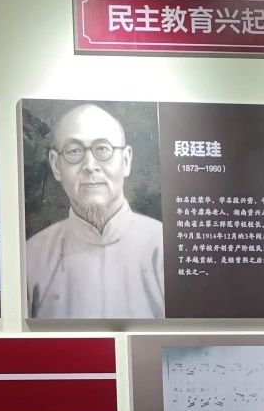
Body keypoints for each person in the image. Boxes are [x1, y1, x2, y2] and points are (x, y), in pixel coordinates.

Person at [25, 103, 164, 318]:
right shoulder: (32, 256)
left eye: (102, 149)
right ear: (56, 166)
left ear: (126, 160)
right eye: (74, 151)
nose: (90, 166)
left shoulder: (164, 248)